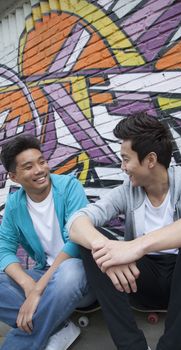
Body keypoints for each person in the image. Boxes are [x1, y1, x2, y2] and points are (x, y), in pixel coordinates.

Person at [67, 112, 181, 350]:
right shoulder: (127, 191)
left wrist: (137, 245)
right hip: (138, 282)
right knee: (91, 244)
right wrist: (109, 250)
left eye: (126, 159)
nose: (122, 167)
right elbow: (77, 221)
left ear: (150, 160)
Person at [0, 134, 95, 350]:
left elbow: (76, 243)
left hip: (79, 277)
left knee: (70, 270)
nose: (40, 170)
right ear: (14, 177)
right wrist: (27, 284)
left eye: (42, 161)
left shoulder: (69, 187)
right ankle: (59, 328)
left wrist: (37, 291)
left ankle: (20, 343)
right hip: (44, 274)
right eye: (29, 166)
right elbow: (3, 248)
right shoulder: (15, 205)